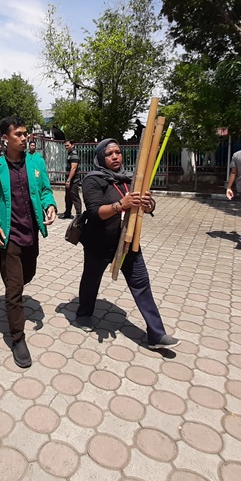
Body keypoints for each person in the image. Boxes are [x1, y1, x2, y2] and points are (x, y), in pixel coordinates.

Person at [76, 138, 180, 349]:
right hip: (99, 243)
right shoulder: (92, 180)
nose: (115, 157)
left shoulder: (131, 179)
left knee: (141, 284)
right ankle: (84, 313)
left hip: (128, 242)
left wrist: (148, 205)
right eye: (109, 154)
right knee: (91, 280)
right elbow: (95, 212)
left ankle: (157, 334)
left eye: (117, 152)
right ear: (100, 158)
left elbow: (148, 204)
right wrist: (120, 205)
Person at [0, 116, 58, 368]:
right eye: (19, 134)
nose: (25, 138)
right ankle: (17, 338)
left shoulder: (36, 162)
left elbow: (45, 190)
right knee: (14, 290)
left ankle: (12, 280)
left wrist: (50, 205)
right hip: (9, 235)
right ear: (5, 138)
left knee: (28, 274)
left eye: (26, 134)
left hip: (31, 232)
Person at [59, 140, 82, 219]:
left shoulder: (74, 155)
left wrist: (69, 180)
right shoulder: (70, 154)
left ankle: (79, 215)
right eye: (65, 146)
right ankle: (67, 213)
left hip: (73, 180)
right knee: (68, 197)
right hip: (69, 180)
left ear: (72, 145)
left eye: (68, 145)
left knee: (74, 197)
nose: (66, 147)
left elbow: (73, 168)